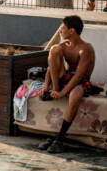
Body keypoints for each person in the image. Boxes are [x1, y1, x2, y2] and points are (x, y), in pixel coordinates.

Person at [36, 15, 96, 153]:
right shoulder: (63, 46)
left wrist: (64, 93)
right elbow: (52, 67)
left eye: (62, 29)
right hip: (66, 78)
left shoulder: (85, 49)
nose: (60, 32)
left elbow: (80, 75)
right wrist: (47, 86)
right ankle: (55, 89)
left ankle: (59, 139)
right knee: (54, 49)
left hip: (81, 81)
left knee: (74, 95)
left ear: (72, 31)